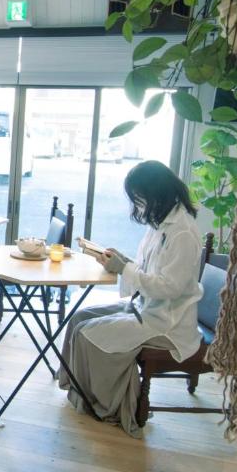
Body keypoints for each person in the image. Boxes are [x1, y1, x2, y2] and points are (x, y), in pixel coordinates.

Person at [58, 160, 204, 436]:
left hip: (167, 322)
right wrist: (122, 261)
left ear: (156, 194)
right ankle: (78, 387)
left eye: (139, 198)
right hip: (147, 307)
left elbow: (168, 287)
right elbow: (148, 269)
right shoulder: (161, 224)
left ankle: (108, 405)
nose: (137, 205)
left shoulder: (182, 232)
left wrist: (123, 268)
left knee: (90, 334)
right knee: (78, 318)